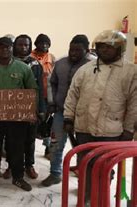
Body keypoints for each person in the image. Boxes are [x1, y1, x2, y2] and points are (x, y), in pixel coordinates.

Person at [63, 30, 136, 202]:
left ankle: (100, 198)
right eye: (101, 47)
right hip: (84, 127)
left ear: (120, 48)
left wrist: (128, 129)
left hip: (111, 130)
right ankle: (87, 198)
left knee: (105, 167)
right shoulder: (85, 70)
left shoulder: (131, 72)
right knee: (85, 165)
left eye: (109, 47)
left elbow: (134, 103)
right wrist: (68, 117)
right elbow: (73, 95)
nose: (104, 50)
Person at [0, 37, 38, 191]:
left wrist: (31, 111)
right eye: (1, 47)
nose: (5, 50)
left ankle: (18, 177)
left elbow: (32, 90)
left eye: (8, 47)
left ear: (12, 49)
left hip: (16, 118)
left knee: (17, 147)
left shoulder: (23, 68)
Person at [40, 35, 93, 187]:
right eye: (71, 49)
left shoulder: (92, 66)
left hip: (85, 116)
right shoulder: (61, 63)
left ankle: (83, 179)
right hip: (60, 112)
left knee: (82, 147)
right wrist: (52, 101)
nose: (74, 53)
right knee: (56, 144)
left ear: (87, 50)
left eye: (78, 50)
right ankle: (55, 173)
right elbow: (52, 83)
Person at [1, 34, 47, 180]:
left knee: (29, 139)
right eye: (20, 45)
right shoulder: (7, 62)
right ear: (14, 46)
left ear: (30, 46)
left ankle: (29, 165)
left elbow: (39, 87)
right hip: (10, 108)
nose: (23, 48)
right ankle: (11, 165)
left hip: (30, 108)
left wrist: (40, 109)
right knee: (10, 139)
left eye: (26, 45)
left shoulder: (35, 65)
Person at [30, 34, 56, 159]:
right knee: (32, 123)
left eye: (47, 43)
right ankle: (30, 150)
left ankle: (48, 148)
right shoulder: (30, 57)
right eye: (41, 43)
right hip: (32, 95)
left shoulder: (52, 58)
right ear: (36, 44)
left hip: (47, 94)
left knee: (46, 122)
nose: (44, 45)